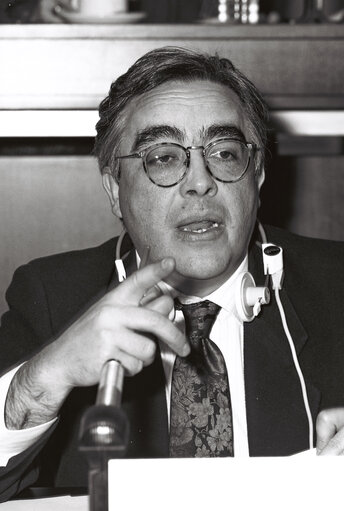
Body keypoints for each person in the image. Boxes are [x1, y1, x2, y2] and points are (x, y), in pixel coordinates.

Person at [0, 46, 344, 501]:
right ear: (115, 189)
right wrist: (39, 384)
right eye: (163, 157)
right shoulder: (51, 298)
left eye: (224, 152)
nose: (199, 181)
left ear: (257, 175)